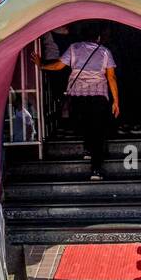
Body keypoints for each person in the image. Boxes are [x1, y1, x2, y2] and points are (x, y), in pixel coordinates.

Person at [33, 22, 118, 179]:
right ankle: (96, 169)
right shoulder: (105, 52)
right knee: (98, 130)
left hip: (78, 96)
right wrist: (116, 102)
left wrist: (41, 65)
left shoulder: (74, 48)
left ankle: (87, 149)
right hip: (98, 96)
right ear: (98, 37)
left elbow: (59, 66)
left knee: (85, 124)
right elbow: (111, 77)